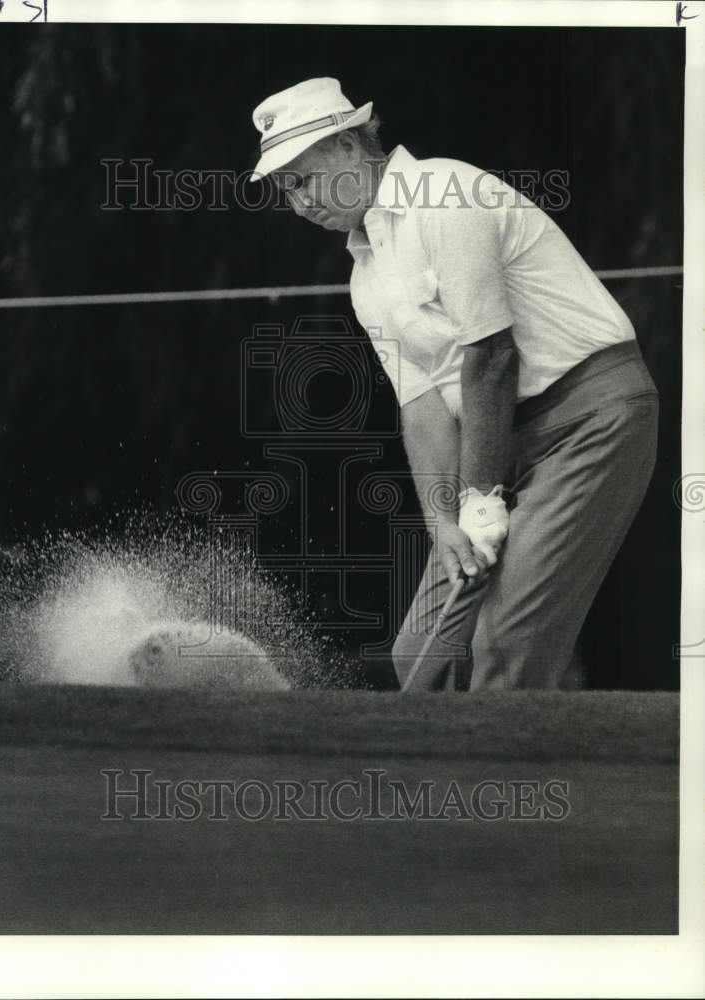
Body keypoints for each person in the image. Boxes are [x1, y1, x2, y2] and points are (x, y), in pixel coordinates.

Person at [249, 77, 659, 691]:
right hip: (498, 443)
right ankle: (432, 783)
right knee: (422, 648)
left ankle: (504, 788)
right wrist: (445, 518)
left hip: (594, 418)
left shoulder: (443, 192)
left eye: (301, 179)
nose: (299, 203)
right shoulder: (364, 277)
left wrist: (482, 500)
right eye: (285, 190)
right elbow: (423, 410)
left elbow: (492, 355)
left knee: (506, 639)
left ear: (345, 147)